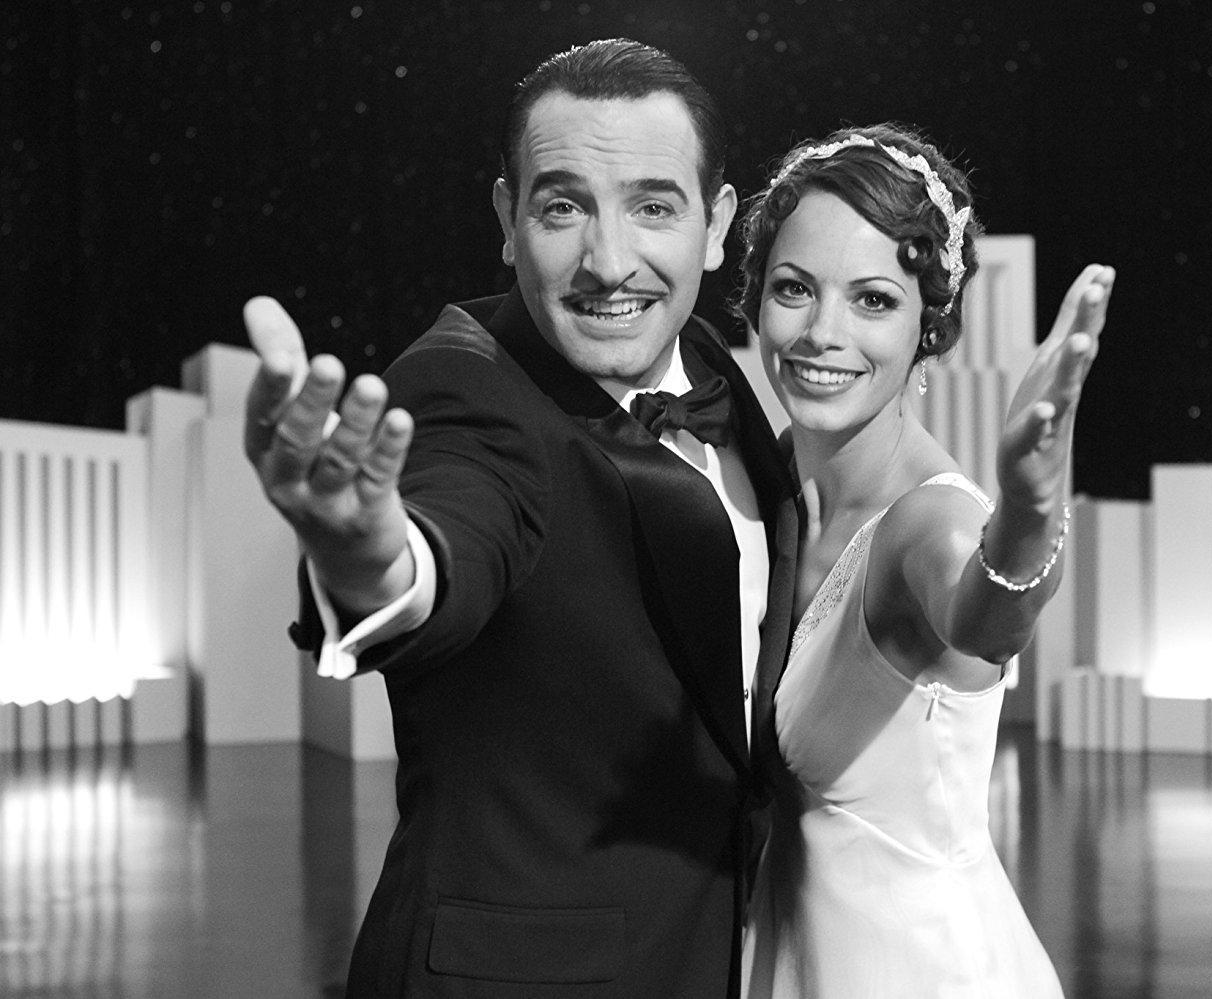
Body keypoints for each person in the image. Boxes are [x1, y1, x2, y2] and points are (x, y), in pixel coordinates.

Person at [240, 39, 799, 997]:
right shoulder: (462, 388)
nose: (609, 263)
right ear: (508, 220)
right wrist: (372, 555)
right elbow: (450, 535)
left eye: (653, 207)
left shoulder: (709, 359)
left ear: (715, 225)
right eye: (563, 207)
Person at [735, 123, 1113, 996]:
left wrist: (1028, 508)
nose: (822, 332)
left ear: (928, 327)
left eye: (873, 300)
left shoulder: (928, 525)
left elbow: (988, 616)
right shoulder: (764, 484)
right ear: (755, 299)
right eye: (794, 288)